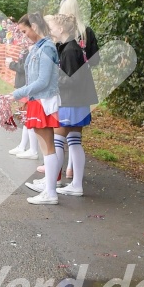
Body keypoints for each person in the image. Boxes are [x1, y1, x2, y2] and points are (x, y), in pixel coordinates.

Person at [7, 13, 60, 205]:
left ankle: (51, 192)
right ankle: (49, 189)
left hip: (44, 101)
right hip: (38, 100)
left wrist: (17, 93)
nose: (23, 35)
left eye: (24, 31)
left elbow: (43, 80)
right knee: (46, 147)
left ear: (35, 26)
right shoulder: (39, 47)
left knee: (48, 147)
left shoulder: (46, 48)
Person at [46, 13, 98, 197]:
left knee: (58, 140)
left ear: (61, 29)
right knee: (74, 141)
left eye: (51, 28)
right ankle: (75, 184)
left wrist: (53, 80)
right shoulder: (72, 48)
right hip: (79, 101)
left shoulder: (69, 51)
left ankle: (51, 184)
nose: (50, 31)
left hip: (71, 100)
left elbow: (71, 79)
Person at [5, 47, 39, 160]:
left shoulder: (33, 50)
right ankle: (23, 145)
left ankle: (33, 149)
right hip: (23, 87)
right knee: (25, 119)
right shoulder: (27, 48)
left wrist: (12, 64)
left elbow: (25, 68)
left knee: (28, 119)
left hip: (27, 88)